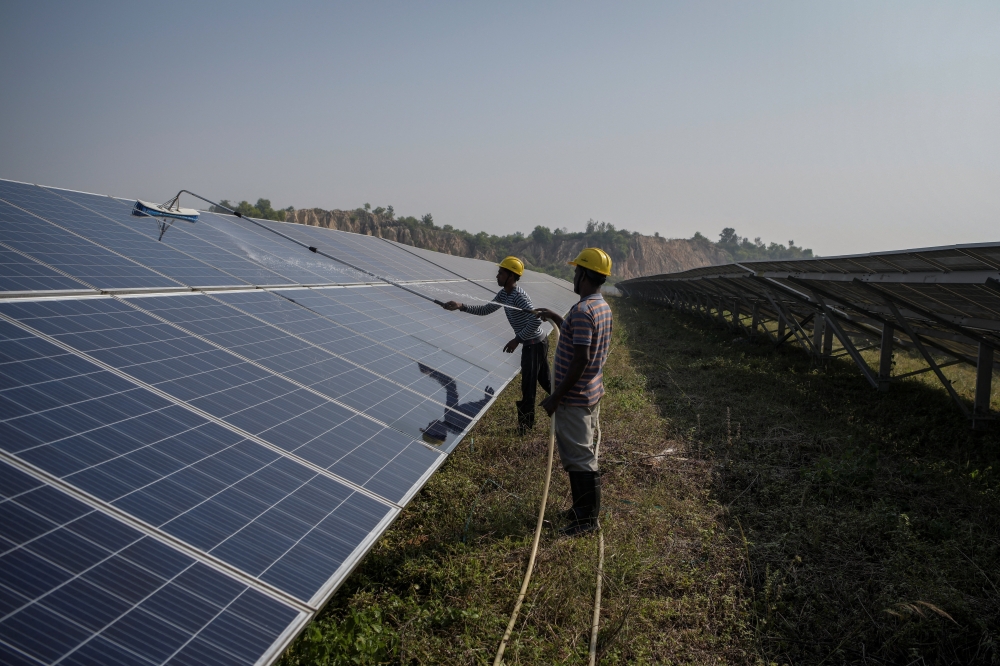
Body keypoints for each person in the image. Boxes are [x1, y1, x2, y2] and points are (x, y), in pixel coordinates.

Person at [536, 248, 613, 536]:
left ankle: (586, 521)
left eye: (576, 270)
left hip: (575, 398)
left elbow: (581, 358)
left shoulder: (582, 311)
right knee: (583, 454)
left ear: (583, 274)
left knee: (580, 458)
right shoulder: (600, 307)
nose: (573, 274)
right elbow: (581, 336)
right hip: (590, 394)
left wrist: (556, 397)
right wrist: (555, 316)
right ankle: (580, 509)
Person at [441, 256, 551, 434]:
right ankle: (568, 407)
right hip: (534, 343)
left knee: (528, 387)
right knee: (545, 381)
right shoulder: (504, 294)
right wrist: (461, 306)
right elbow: (486, 309)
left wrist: (518, 339)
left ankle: (524, 430)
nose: (497, 276)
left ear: (511, 276)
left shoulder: (519, 296)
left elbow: (536, 320)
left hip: (534, 344)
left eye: (501, 273)